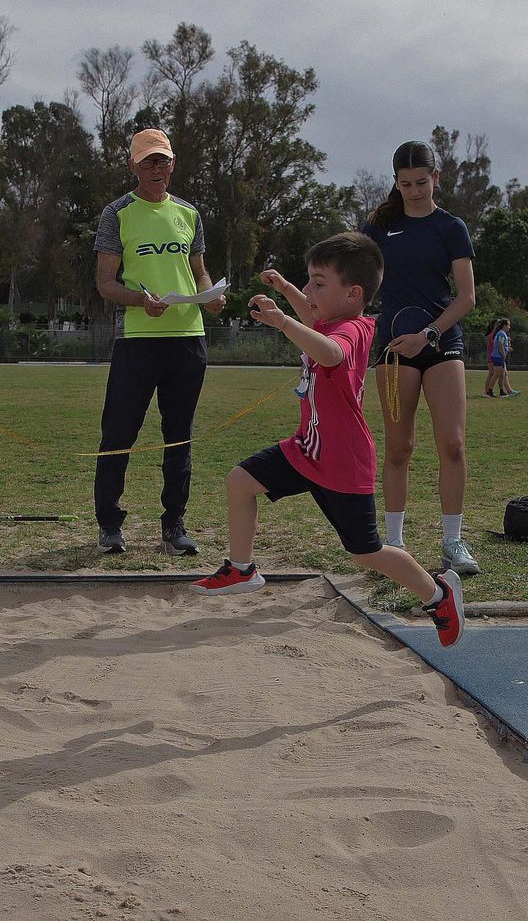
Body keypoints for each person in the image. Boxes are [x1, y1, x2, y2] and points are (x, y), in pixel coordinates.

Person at [191, 233, 465, 648]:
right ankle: (242, 568)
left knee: (366, 552)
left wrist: (284, 321)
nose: (309, 291)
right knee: (240, 481)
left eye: (319, 283)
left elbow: (331, 353)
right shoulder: (331, 320)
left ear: (354, 293)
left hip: (342, 462)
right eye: (309, 281)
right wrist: (285, 293)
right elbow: (314, 320)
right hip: (307, 449)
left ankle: (440, 595)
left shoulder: (354, 329)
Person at [92, 129, 226, 555]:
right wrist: (139, 300)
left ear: (173, 164)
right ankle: (110, 526)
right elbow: (105, 284)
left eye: (162, 160)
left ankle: (174, 525)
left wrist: (211, 295)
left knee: (178, 437)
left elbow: (199, 270)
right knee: (118, 433)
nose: (156, 169)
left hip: (187, 339)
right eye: (148, 161)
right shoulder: (117, 214)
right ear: (133, 166)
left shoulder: (189, 213)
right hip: (137, 340)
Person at [363, 140, 480, 576]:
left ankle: (452, 542)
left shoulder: (451, 227)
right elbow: (355, 282)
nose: (414, 191)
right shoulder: (378, 226)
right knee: (399, 447)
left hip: (440, 342)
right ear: (395, 182)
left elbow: (467, 297)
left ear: (436, 178)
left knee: (452, 442)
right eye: (405, 183)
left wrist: (429, 333)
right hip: (394, 348)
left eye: (422, 182)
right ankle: (393, 546)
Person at [492, 318, 517, 396]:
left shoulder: (501, 333)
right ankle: (490, 391)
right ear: (504, 326)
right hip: (498, 356)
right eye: (508, 325)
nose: (509, 327)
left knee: (504, 374)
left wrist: (507, 348)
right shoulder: (502, 333)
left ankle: (507, 391)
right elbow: (500, 345)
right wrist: (503, 354)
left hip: (499, 356)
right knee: (497, 374)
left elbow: (502, 345)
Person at [481, 319, 500, 398]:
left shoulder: (495, 333)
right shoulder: (493, 334)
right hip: (491, 355)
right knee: (491, 373)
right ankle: (486, 391)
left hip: (492, 355)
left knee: (492, 373)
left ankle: (488, 391)